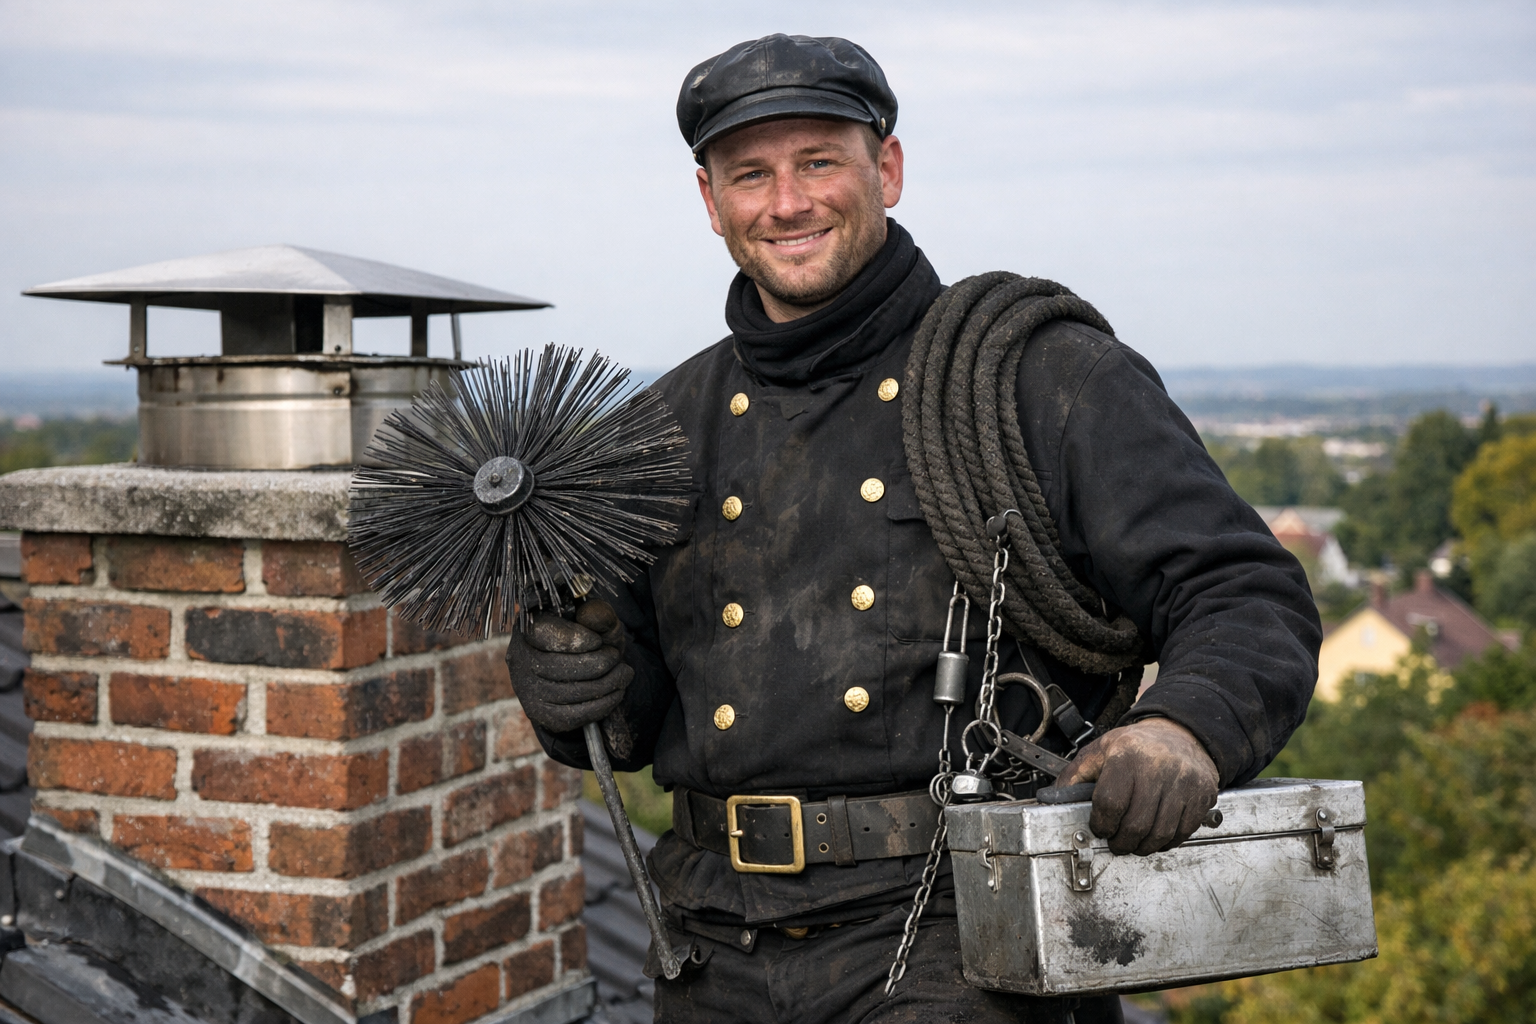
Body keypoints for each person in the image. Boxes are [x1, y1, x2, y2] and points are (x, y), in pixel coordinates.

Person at [509, 33, 1320, 1024]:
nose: (788, 202)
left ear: (885, 169)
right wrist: (566, 685)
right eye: (750, 174)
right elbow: (624, 715)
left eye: (818, 162)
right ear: (710, 200)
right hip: (714, 940)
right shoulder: (656, 434)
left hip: (964, 931)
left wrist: (1183, 726)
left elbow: (1244, 592)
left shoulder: (1039, 379)